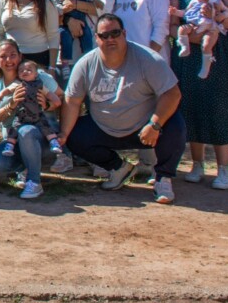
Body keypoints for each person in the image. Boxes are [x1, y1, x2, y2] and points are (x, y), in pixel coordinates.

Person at [60, 13, 186, 204]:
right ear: (96, 38)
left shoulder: (148, 59)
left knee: (174, 124)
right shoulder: (85, 64)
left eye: (115, 33)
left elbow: (172, 94)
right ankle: (118, 168)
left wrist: (155, 124)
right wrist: (63, 136)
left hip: (145, 129)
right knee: (74, 135)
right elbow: (72, 101)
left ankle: (163, 177)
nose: (110, 39)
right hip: (104, 129)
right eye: (104, 35)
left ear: (124, 33)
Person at [167, 0, 228, 189]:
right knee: (191, 107)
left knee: (218, 107)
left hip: (217, 54)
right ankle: (197, 164)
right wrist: (192, 37)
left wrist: (216, 18)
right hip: (187, 58)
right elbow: (172, 24)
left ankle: (223, 168)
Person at [0, 39, 66, 199]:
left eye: (13, 55)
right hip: (13, 140)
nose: (8, 60)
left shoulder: (38, 76)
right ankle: (25, 168)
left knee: (26, 131)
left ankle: (34, 182)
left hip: (43, 136)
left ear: (20, 56)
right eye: (3, 56)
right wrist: (11, 105)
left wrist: (47, 105)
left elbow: (63, 98)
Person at [171, 0, 228, 79]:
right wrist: (175, 12)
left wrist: (221, 16)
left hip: (211, 27)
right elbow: (185, 13)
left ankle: (205, 67)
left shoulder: (216, 1)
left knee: (206, 44)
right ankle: (185, 47)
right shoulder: (194, 1)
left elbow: (227, 11)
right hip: (194, 24)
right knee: (181, 29)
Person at [0, 60, 63, 157]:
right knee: (14, 128)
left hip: (37, 113)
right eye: (21, 70)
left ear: (36, 74)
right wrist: (0, 95)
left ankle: (54, 142)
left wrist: (56, 101)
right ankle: (9, 145)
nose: (25, 72)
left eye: (29, 70)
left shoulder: (40, 84)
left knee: (46, 126)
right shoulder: (18, 84)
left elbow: (49, 94)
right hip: (22, 114)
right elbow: (7, 90)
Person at [51, 0, 104, 80]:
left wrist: (96, 1)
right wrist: (62, 9)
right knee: (65, 38)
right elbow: (54, 8)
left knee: (88, 36)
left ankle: (88, 58)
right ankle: (65, 62)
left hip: (82, 22)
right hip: (65, 24)